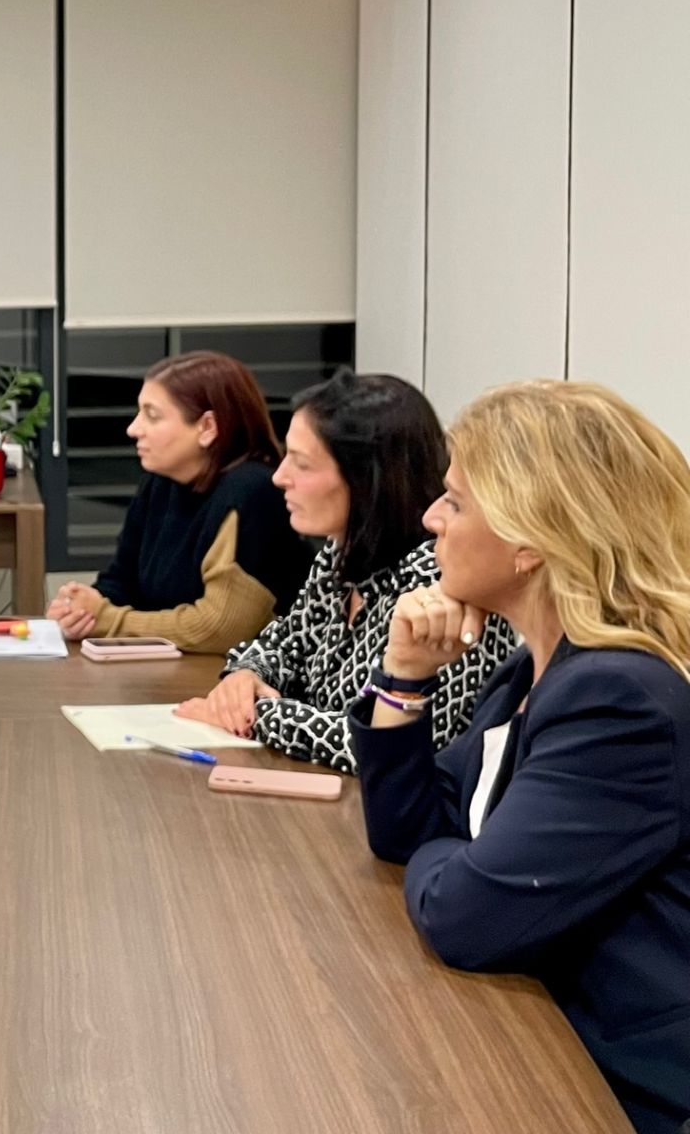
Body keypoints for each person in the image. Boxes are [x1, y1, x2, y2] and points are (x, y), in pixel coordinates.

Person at [349, 381, 690, 1134]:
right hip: (542, 1034)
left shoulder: (618, 699)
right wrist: (405, 673)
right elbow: (407, 833)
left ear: (531, 538)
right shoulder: (533, 670)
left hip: (621, 1092)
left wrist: (459, 858)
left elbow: (464, 914)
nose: (431, 519)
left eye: (456, 503)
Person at [175, 371, 514, 769]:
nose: (280, 477)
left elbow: (385, 742)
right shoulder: (340, 557)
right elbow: (280, 644)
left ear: (365, 479)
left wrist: (259, 715)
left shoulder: (445, 577)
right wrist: (243, 677)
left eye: (301, 464)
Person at [48, 351, 310, 653]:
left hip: (234, 682)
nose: (133, 429)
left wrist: (107, 619)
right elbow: (121, 583)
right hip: (164, 673)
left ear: (207, 427)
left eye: (152, 415)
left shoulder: (253, 491)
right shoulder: (161, 481)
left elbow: (219, 628)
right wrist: (82, 608)